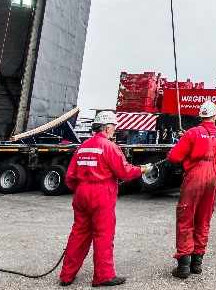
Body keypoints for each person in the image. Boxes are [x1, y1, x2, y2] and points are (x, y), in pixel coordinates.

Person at [59, 111, 152, 287]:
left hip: (82, 193)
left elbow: (70, 177)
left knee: (78, 234)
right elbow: (124, 171)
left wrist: (81, 190)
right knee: (103, 236)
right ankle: (103, 276)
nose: (114, 131)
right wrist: (141, 170)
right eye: (114, 128)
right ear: (108, 128)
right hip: (101, 194)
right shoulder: (109, 147)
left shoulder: (83, 146)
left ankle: (67, 275)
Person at [166, 100, 216, 278]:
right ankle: (197, 264)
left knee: (186, 218)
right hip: (213, 176)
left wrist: (183, 141)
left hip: (195, 176)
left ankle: (183, 265)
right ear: (214, 115)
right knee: (203, 219)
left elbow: (174, 157)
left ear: (201, 115)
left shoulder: (192, 133)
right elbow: (208, 139)